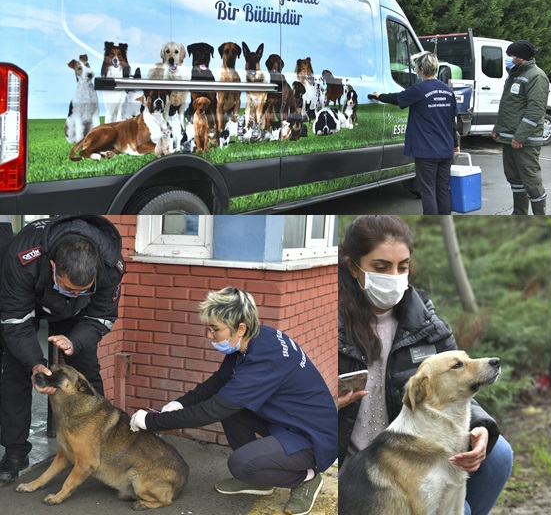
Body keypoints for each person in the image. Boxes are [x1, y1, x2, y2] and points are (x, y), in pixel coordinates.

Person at [337, 215, 513, 515]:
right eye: (381, 267)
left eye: (402, 267)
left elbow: (460, 378)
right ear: (353, 267)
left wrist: (482, 427)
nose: (394, 276)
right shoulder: (327, 320)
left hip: (421, 447)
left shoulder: (425, 322)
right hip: (358, 464)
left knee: (499, 455)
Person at [129, 287, 337, 515]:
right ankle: (258, 478)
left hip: (312, 437)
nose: (209, 335)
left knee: (240, 464)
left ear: (240, 327)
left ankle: (305, 479)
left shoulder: (265, 360)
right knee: (233, 410)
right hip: (288, 421)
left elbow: (212, 410)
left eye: (215, 329)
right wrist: (181, 403)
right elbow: (219, 382)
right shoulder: (253, 340)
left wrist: (152, 422)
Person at [0, 215, 125, 483]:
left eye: (83, 289)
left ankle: (99, 446)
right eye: (70, 288)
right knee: (16, 370)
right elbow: (14, 321)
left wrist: (75, 341)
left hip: (78, 316)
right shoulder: (22, 257)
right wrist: (35, 362)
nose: (76, 292)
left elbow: (102, 315)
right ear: (54, 266)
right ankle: (15, 452)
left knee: (86, 368)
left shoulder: (110, 266)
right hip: (28, 301)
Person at [371, 51, 459, 215]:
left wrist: (379, 96)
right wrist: (455, 145)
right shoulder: (448, 91)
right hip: (446, 150)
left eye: (417, 68)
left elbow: (397, 98)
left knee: (428, 191)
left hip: (427, 152)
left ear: (421, 70)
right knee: (443, 189)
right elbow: (452, 122)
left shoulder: (419, 89)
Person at [491, 40, 550, 215]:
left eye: (510, 56)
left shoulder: (536, 76)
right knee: (514, 179)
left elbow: (535, 111)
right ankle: (519, 213)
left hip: (524, 141)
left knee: (531, 181)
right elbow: (509, 106)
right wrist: (497, 128)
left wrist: (520, 136)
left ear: (521, 58)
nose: (507, 59)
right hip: (509, 137)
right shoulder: (514, 74)